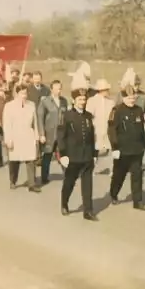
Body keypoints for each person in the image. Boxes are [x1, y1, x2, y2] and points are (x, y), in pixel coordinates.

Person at [57, 88, 98, 221]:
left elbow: (92, 136)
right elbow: (61, 136)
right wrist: (63, 154)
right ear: (74, 100)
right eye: (80, 99)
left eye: (84, 99)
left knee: (88, 184)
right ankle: (64, 203)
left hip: (86, 156)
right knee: (69, 181)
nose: (82, 102)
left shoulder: (88, 116)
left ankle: (88, 210)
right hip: (72, 156)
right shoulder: (67, 116)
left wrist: (94, 154)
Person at [107, 85, 145, 211]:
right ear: (123, 97)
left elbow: (141, 129)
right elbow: (112, 130)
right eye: (129, 98)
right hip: (122, 150)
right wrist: (115, 147)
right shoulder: (117, 110)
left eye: (133, 98)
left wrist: (143, 145)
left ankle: (137, 201)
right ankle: (114, 194)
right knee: (119, 175)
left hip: (137, 149)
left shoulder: (139, 110)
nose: (132, 100)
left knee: (137, 175)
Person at [3, 84, 41, 192]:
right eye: (21, 93)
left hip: (28, 135)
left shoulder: (31, 105)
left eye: (25, 93)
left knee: (31, 160)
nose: (24, 96)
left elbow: (35, 123)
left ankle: (31, 184)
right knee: (14, 161)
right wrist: (8, 139)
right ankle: (13, 181)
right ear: (17, 93)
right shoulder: (9, 106)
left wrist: (36, 137)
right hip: (15, 135)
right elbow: (7, 124)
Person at [37, 80, 68, 185]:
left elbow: (66, 116)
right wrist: (41, 134)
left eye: (60, 88)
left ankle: (68, 176)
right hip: (49, 133)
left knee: (63, 154)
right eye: (56, 88)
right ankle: (44, 177)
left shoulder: (64, 101)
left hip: (61, 134)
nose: (59, 91)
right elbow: (40, 118)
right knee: (47, 156)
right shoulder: (45, 101)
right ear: (51, 89)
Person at [86, 79, 115, 175]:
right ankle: (91, 169)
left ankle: (112, 169)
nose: (108, 91)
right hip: (96, 128)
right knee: (95, 150)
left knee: (111, 148)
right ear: (101, 90)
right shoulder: (92, 101)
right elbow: (88, 115)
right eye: (106, 89)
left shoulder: (111, 102)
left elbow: (113, 115)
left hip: (108, 128)